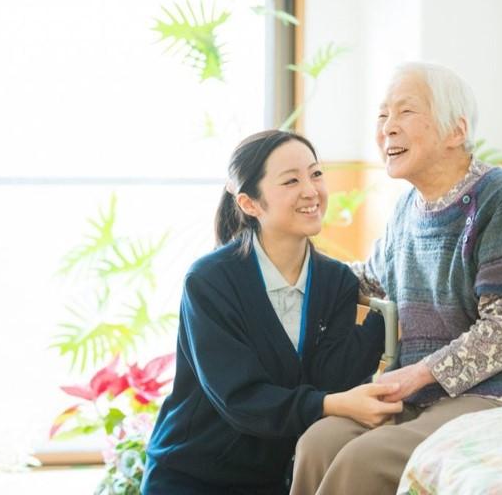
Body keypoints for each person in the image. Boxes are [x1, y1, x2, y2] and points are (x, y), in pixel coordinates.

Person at [290, 62, 502, 495]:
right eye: (382, 114)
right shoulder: (409, 207)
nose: (387, 127)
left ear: (456, 131)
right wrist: (292, 265)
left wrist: (414, 376)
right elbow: (369, 281)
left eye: (404, 112)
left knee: (362, 462)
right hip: (433, 391)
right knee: (317, 442)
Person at [141, 130, 405, 495]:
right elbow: (241, 399)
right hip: (191, 476)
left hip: (273, 480)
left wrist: (398, 305)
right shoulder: (210, 282)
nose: (311, 190)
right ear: (251, 203)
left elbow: (332, 375)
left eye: (315, 174)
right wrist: (332, 404)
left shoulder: (334, 281)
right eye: (291, 180)